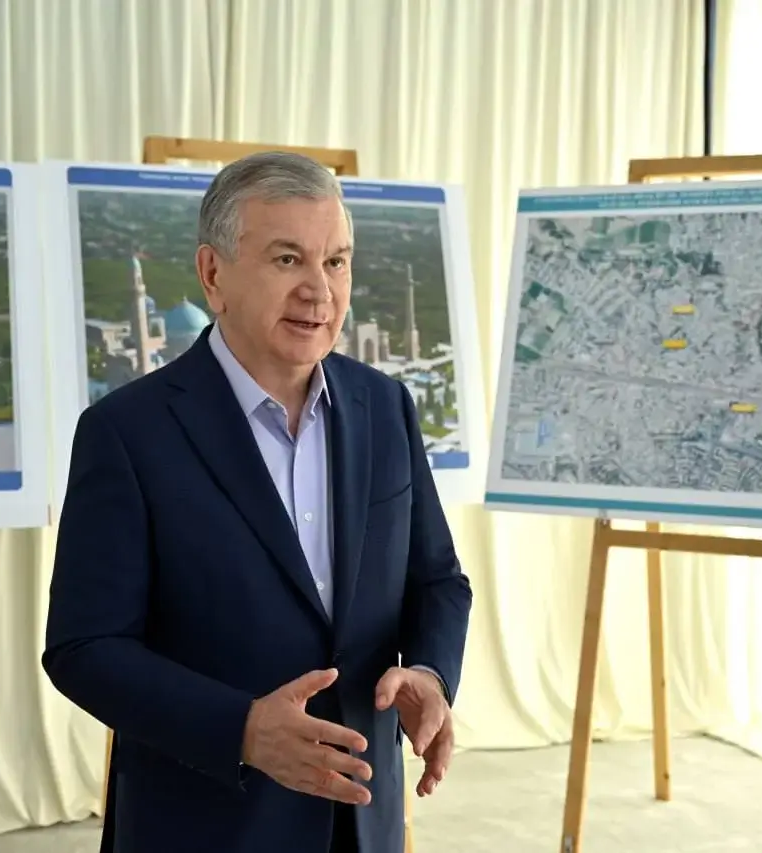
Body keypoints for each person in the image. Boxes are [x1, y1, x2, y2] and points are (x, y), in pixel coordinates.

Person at [43, 150, 472, 853]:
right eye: (286, 260)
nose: (318, 290)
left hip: (362, 822)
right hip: (206, 825)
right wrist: (241, 727)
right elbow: (84, 646)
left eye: (336, 261)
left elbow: (438, 580)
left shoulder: (383, 406)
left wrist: (427, 670)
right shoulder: (127, 433)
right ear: (213, 275)